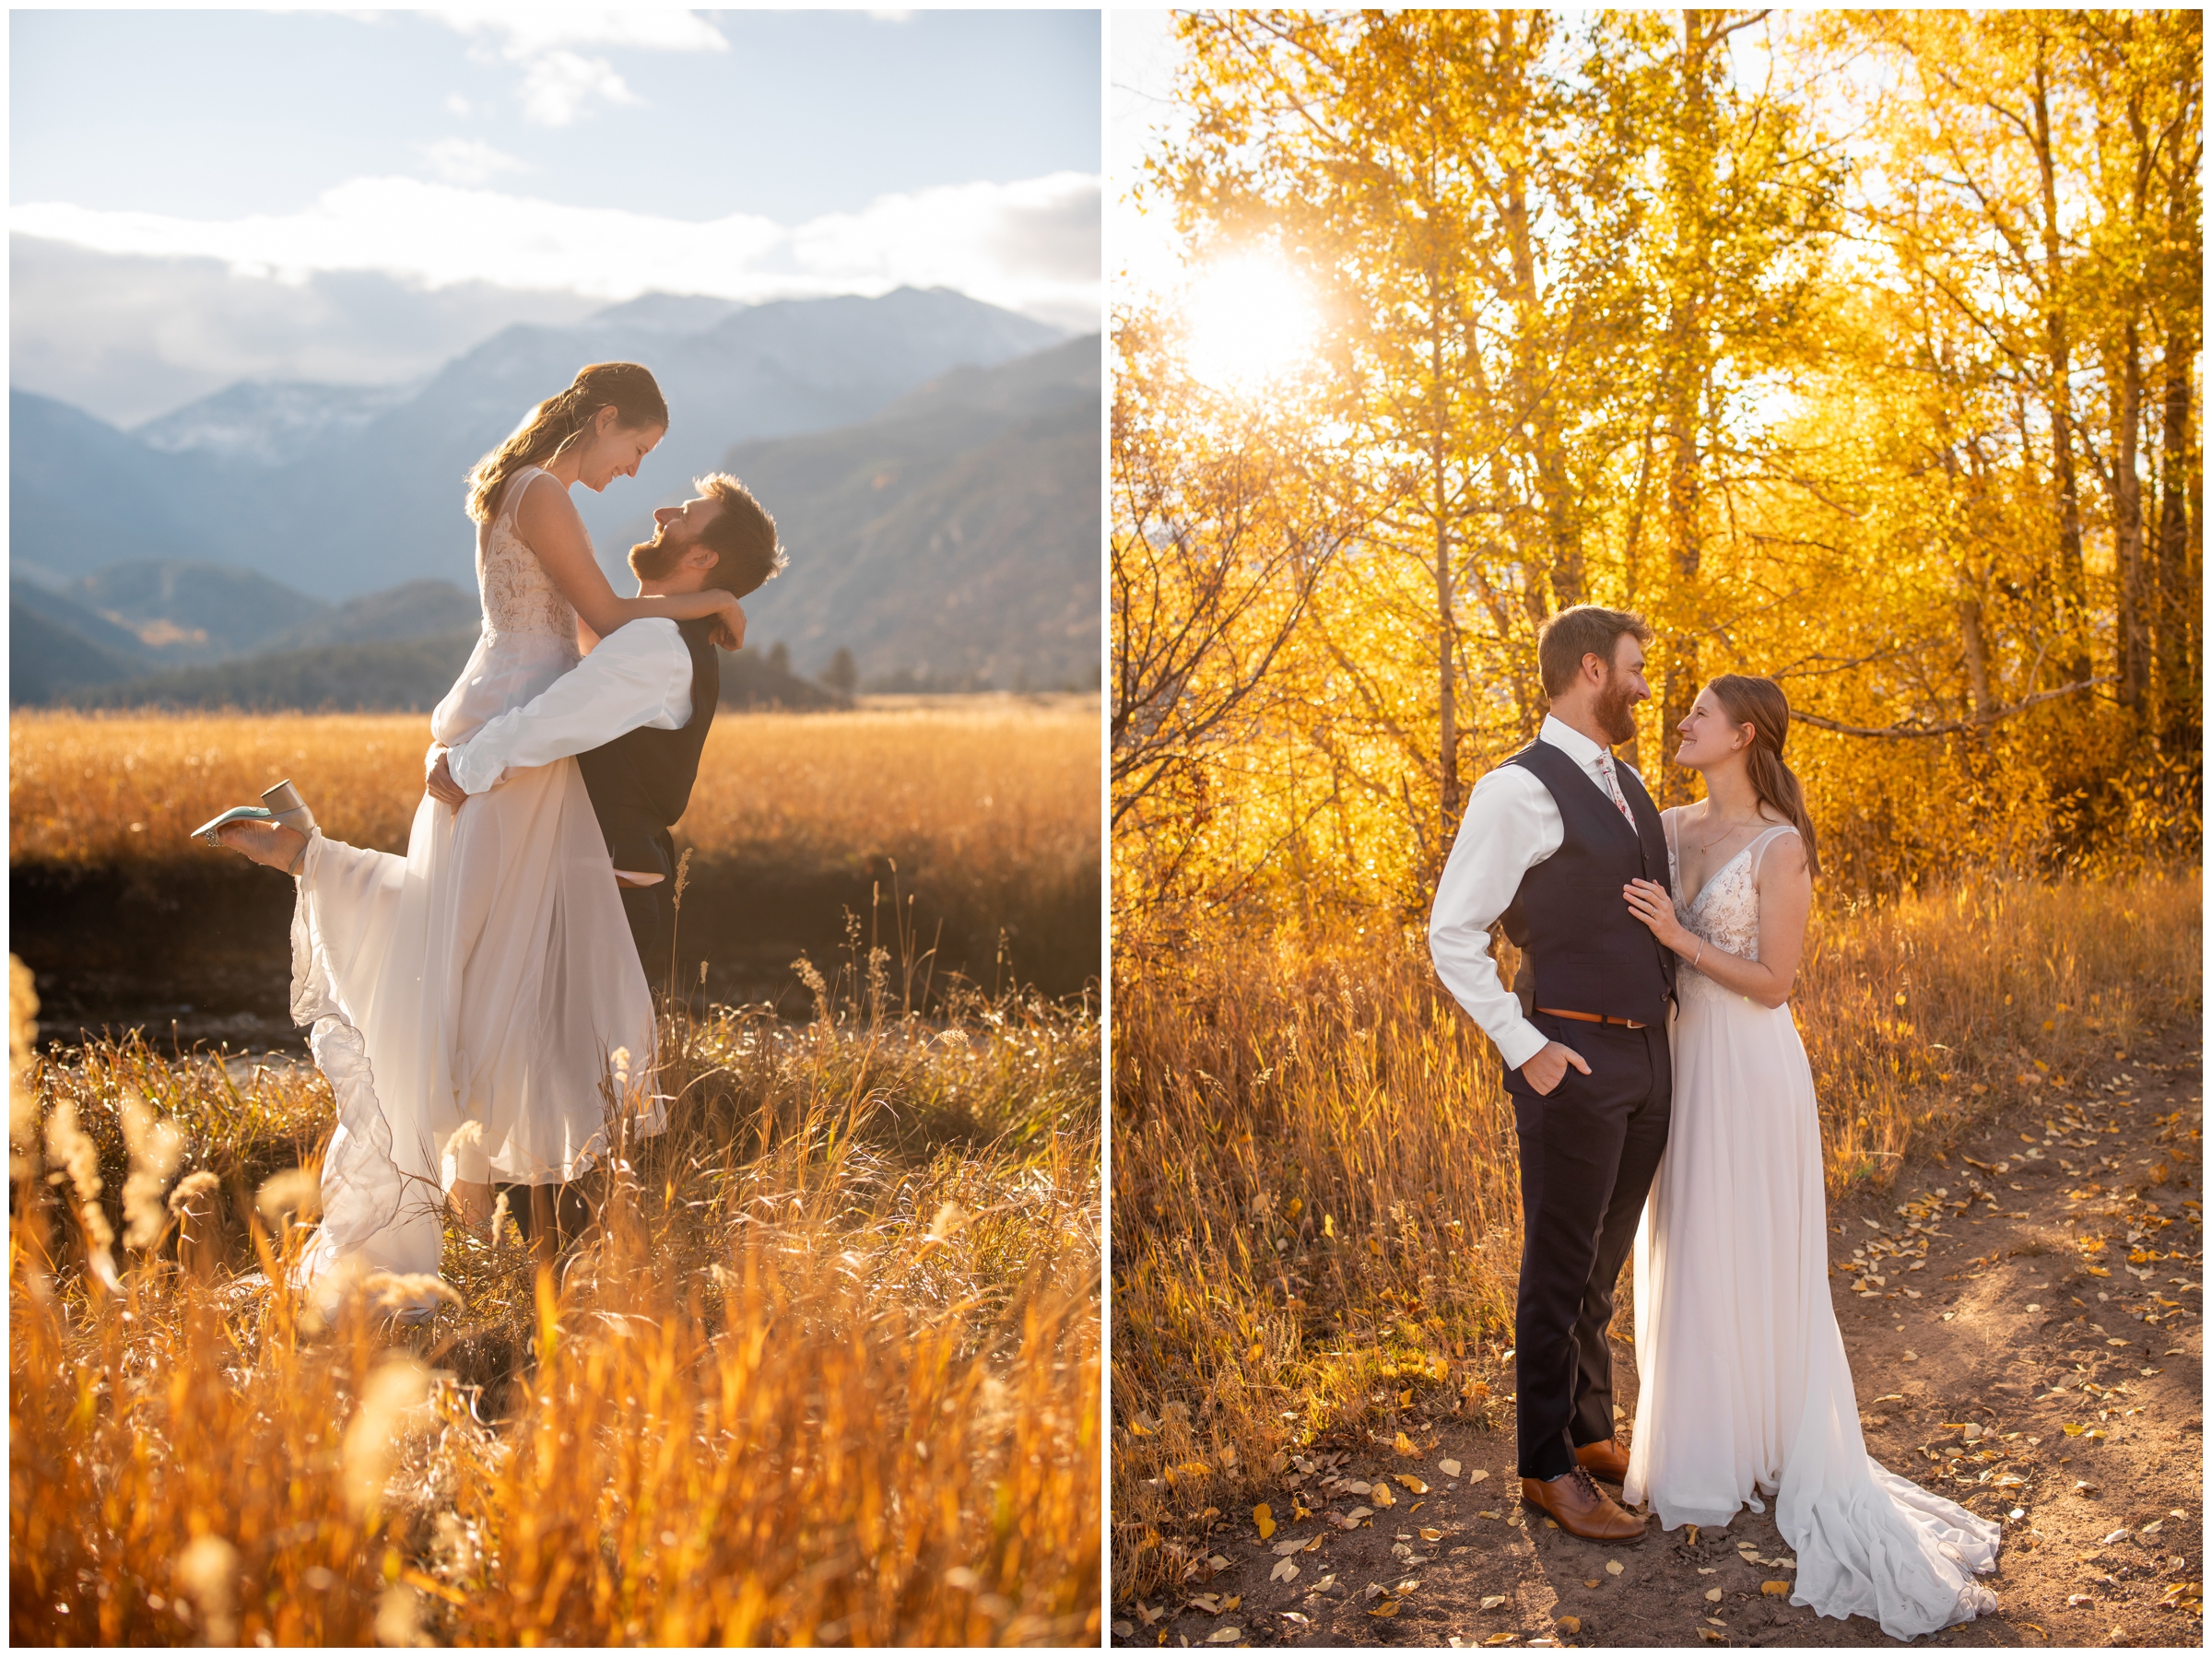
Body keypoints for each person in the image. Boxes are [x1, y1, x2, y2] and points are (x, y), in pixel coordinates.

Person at [196, 362, 747, 1310]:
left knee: (461, 945)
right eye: (637, 449)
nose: (634, 478)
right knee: (475, 958)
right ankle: (491, 1196)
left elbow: (595, 644)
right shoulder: (544, 493)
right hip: (509, 741)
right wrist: (713, 605)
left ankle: (310, 863)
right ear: (603, 418)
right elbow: (607, 626)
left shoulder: (525, 488)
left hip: (510, 730)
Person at [1619, 674, 1999, 1639]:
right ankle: (1705, 1446)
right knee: (1691, 1237)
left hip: (1751, 1067)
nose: (1682, 722)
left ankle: (1767, 1440)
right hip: (1682, 1063)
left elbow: (1776, 982)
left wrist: (1676, 936)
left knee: (1749, 1242)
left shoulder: (1782, 847)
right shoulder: (1662, 824)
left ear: (1742, 734)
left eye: (1699, 713)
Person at [422, 472, 785, 1247]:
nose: (662, 510)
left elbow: (558, 718)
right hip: (593, 884)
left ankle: (564, 1296)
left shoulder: (656, 648)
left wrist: (465, 765)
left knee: (568, 1098)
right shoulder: (656, 632)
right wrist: (707, 602)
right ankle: (552, 1288)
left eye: (684, 514)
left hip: (609, 894)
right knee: (546, 1083)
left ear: (702, 554)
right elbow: (596, 625)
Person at [1429, 605, 1674, 1544]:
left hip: (1650, 1058)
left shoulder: (1631, 785)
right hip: (1570, 1056)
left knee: (1600, 1269)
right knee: (1558, 1266)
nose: (1646, 684)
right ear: (1588, 670)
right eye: (1634, 667)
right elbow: (1452, 933)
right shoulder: (1514, 791)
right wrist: (1524, 1046)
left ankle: (1589, 1429)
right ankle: (1543, 1464)